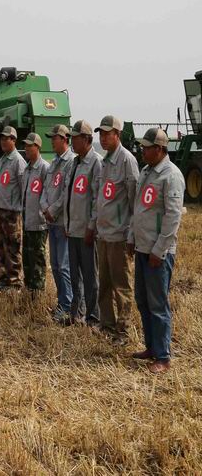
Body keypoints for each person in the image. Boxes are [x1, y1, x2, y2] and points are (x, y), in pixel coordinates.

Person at [128, 128, 185, 374]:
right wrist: (132, 237)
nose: (143, 150)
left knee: (158, 304)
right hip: (142, 247)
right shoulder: (146, 171)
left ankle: (163, 356)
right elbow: (138, 208)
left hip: (158, 253)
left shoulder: (171, 175)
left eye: (147, 147)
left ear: (160, 149)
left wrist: (159, 250)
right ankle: (151, 347)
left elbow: (173, 217)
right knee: (143, 300)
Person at [95, 115, 140, 345]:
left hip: (119, 235)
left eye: (107, 134)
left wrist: (131, 235)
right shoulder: (105, 161)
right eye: (101, 134)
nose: (103, 138)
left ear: (118, 134)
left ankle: (123, 331)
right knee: (104, 284)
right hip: (103, 233)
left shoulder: (127, 161)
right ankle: (107, 325)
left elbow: (135, 203)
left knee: (121, 286)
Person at [63, 120, 101, 326]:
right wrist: (67, 224)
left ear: (86, 139)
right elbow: (68, 195)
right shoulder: (74, 163)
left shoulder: (96, 163)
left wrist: (91, 227)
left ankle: (93, 317)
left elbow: (96, 199)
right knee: (75, 275)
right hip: (73, 229)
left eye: (75, 138)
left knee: (90, 276)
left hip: (86, 231)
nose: (72, 141)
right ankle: (76, 314)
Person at [41, 125, 75, 324]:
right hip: (51, 222)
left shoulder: (71, 162)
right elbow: (46, 189)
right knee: (54, 265)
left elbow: (66, 193)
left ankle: (67, 305)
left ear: (64, 139)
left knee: (63, 266)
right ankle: (62, 302)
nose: (52, 141)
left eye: (54, 138)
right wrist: (44, 207)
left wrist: (52, 210)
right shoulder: (54, 163)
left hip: (61, 222)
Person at [0, 126, 27, 290]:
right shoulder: (3, 159)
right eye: (2, 138)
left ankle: (14, 281)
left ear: (14, 140)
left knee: (12, 247)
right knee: (0, 246)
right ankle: (3, 277)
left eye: (6, 138)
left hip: (12, 212)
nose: (3, 141)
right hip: (0, 210)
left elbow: (23, 187)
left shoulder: (18, 161)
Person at [21, 133, 49, 298]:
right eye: (25, 145)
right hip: (27, 221)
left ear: (37, 147)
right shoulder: (27, 169)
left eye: (29, 146)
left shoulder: (44, 168)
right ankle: (29, 289)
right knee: (27, 259)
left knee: (38, 259)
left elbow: (47, 194)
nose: (26, 148)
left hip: (38, 223)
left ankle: (38, 294)